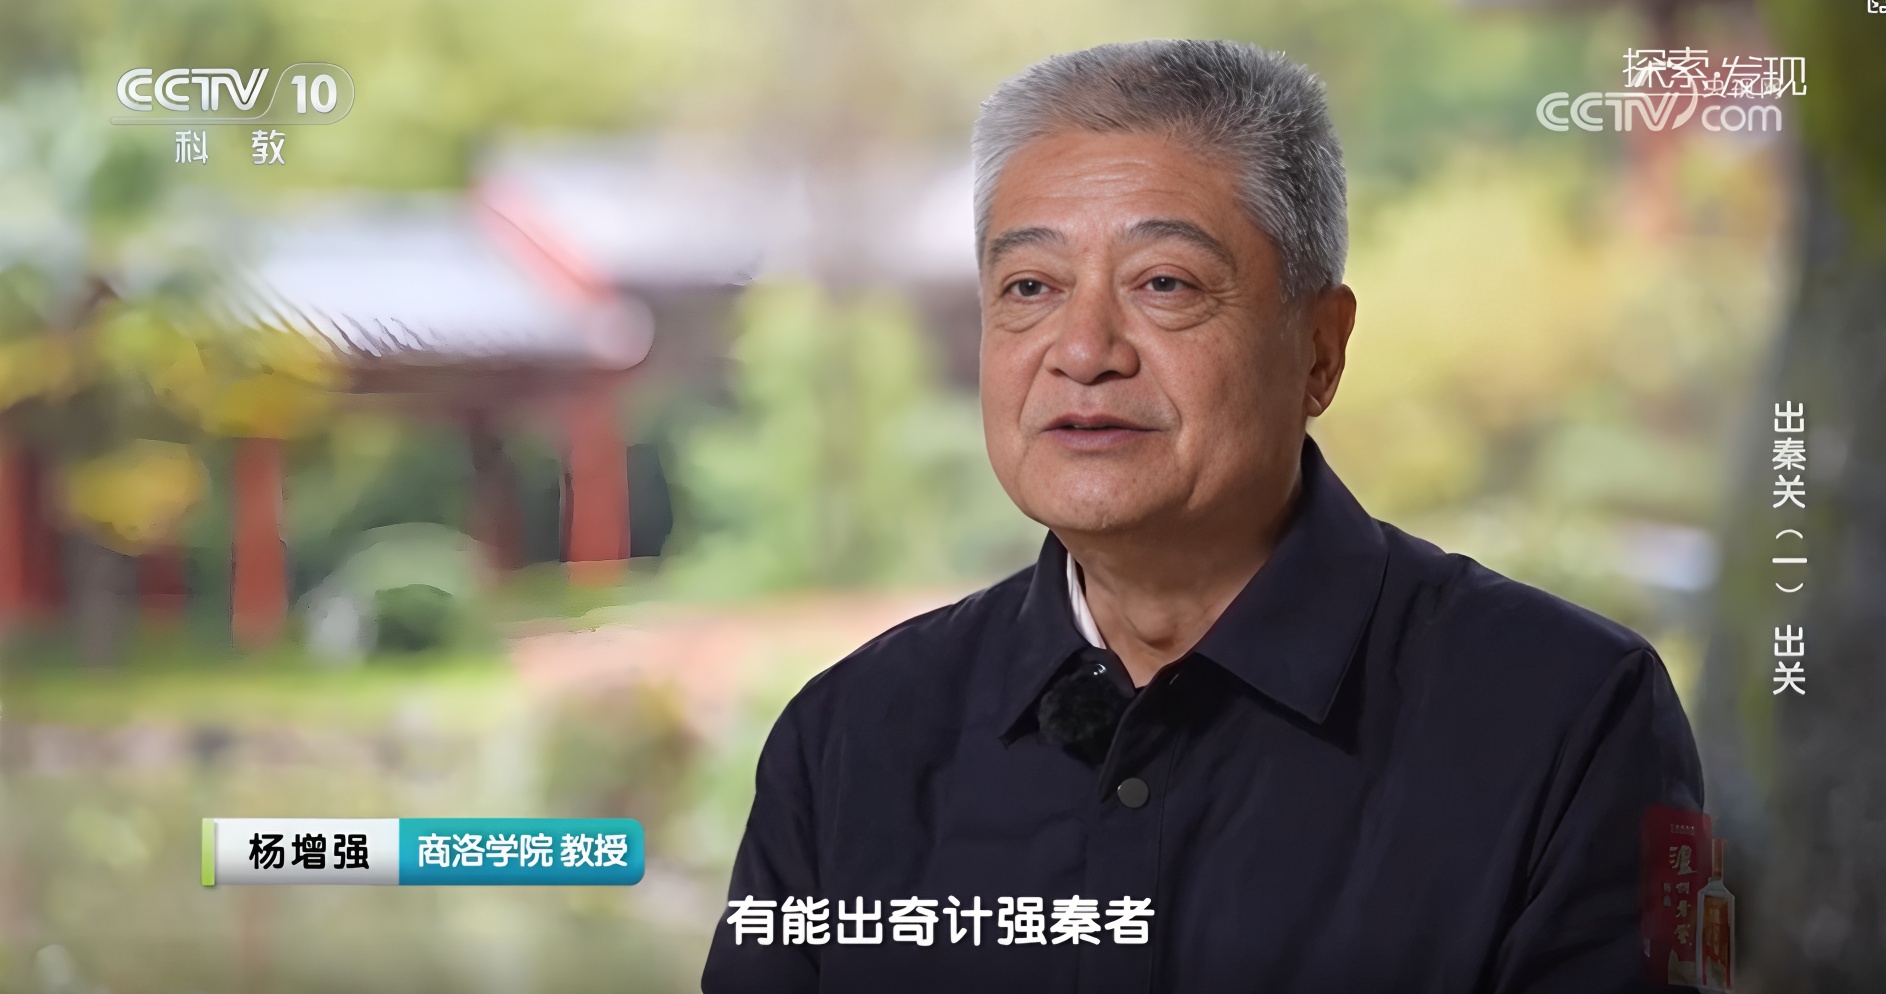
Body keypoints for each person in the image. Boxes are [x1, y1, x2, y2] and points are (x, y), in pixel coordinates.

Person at [702, 39, 1702, 994]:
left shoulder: (1571, 716)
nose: (1082, 350)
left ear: (1320, 349)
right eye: (1030, 287)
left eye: (1164, 284)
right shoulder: (849, 738)